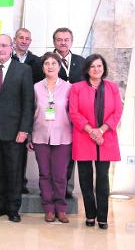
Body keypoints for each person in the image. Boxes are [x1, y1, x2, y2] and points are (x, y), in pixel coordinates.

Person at [0, 34, 34, 223]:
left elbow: (28, 103)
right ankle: (0, 205)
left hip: (14, 131)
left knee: (14, 170)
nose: (0, 49)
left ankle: (13, 208)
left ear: (11, 47)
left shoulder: (24, 70)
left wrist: (24, 130)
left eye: (4, 45)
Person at [69, 54, 123, 230]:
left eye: (99, 66)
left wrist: (102, 130)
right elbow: (74, 113)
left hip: (105, 138)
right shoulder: (77, 88)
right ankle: (90, 215)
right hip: (84, 136)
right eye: (93, 66)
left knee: (102, 179)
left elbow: (117, 112)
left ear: (104, 68)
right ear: (87, 69)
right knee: (85, 180)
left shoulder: (112, 87)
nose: (96, 69)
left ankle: (102, 217)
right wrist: (91, 130)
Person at [28, 53, 72, 223]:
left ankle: (61, 209)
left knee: (60, 175)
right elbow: (30, 112)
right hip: (40, 136)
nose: (50, 66)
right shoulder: (35, 87)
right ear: (43, 67)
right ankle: (48, 208)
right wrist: (29, 136)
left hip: (63, 137)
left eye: (54, 63)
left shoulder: (69, 88)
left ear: (60, 67)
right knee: (44, 174)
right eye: (47, 63)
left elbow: (73, 113)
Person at [52, 27, 86, 199]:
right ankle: (52, 188)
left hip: (75, 116)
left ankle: (67, 188)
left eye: (66, 39)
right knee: (52, 152)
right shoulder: (47, 61)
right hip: (51, 115)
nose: (63, 42)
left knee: (70, 152)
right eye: (59, 39)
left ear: (71, 42)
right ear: (54, 42)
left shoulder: (81, 62)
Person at [12, 27, 42, 194]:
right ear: (15, 39)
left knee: (23, 148)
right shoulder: (7, 58)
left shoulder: (37, 62)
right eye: (21, 38)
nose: (24, 41)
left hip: (28, 109)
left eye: (27, 39)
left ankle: (21, 182)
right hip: (9, 110)